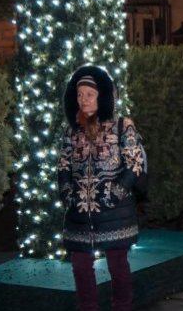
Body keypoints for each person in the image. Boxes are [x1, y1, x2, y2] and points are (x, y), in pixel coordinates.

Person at [58, 65, 146, 311]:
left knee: (117, 264)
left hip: (114, 211)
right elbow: (63, 166)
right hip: (79, 212)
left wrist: (113, 195)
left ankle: (122, 306)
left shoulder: (122, 125)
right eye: (79, 94)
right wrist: (67, 193)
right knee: (80, 264)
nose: (83, 99)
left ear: (101, 97)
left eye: (89, 94)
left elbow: (135, 164)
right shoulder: (71, 130)